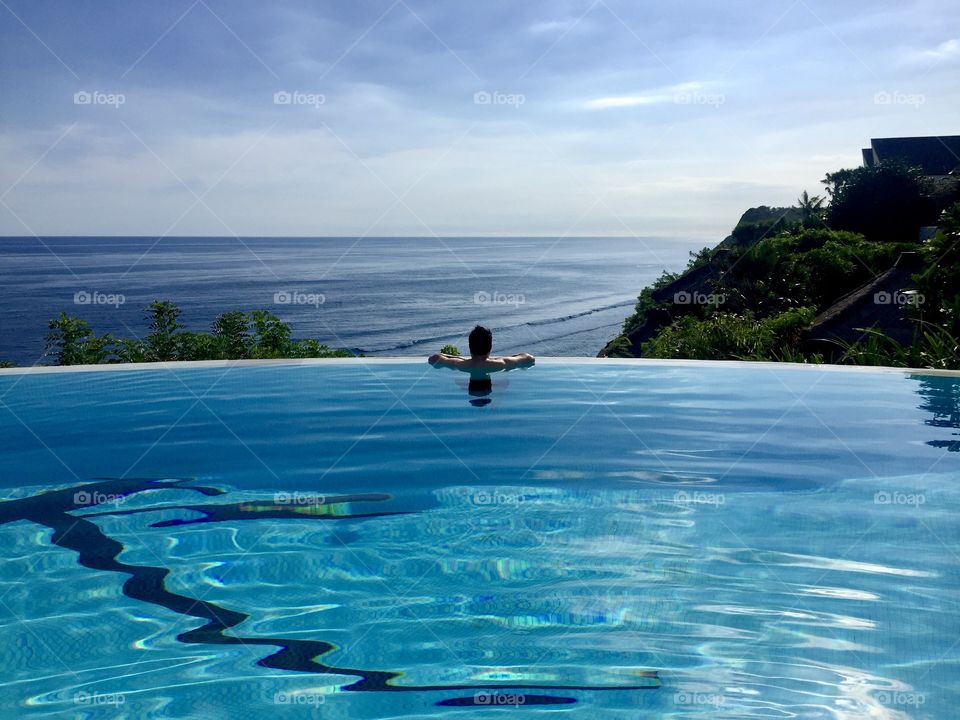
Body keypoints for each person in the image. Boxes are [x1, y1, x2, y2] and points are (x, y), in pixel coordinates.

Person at [428, 326, 534, 405]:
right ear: (490, 347)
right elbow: (529, 358)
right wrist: (499, 359)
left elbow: (434, 358)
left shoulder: (459, 364)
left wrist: (455, 357)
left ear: (470, 347)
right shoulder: (502, 364)